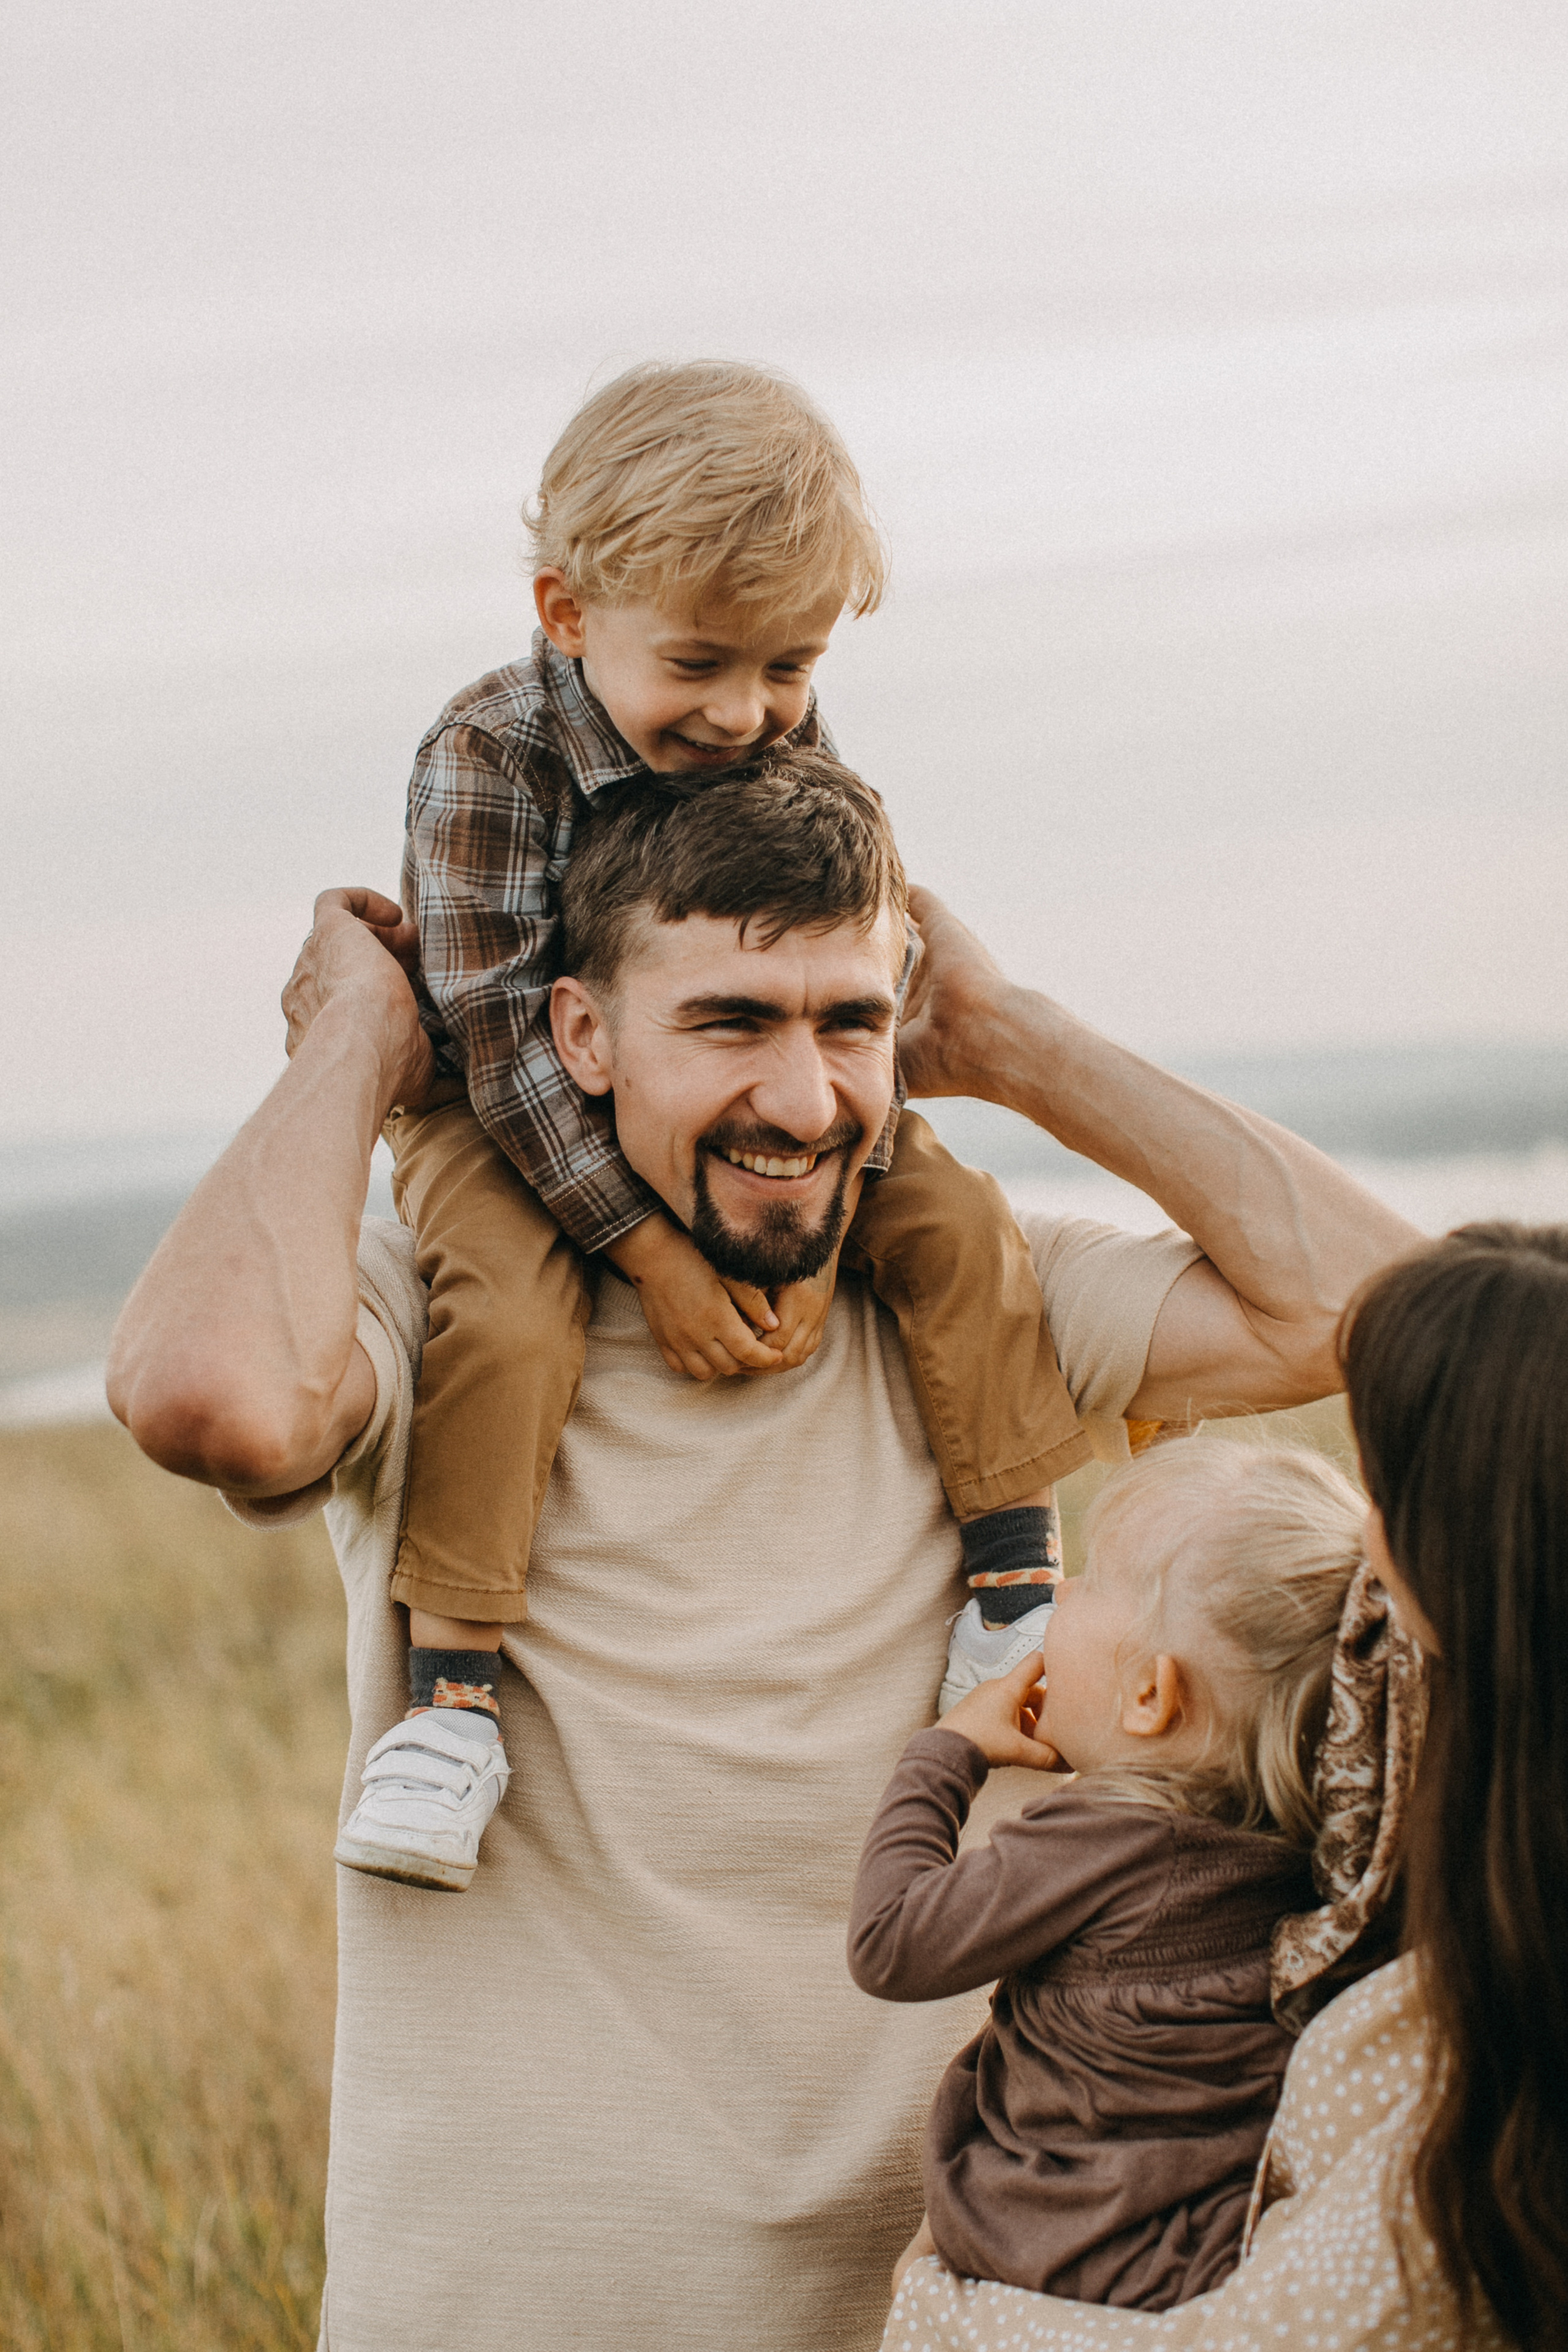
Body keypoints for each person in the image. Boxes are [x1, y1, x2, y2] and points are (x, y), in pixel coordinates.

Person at [105, 767, 1415, 2352]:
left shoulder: (985, 1314)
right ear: (579, 1036)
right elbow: (207, 1398)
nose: (805, 1101)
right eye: (731, 1022)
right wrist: (360, 1042)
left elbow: (1386, 1317)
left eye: (849, 1023)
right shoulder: (445, 1313)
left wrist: (1012, 1039)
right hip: (499, 2315)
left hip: (940, 2318)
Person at [361, 360, 1085, 1890]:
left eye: (788, 669)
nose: (745, 713)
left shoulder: (775, 732)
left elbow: (843, 956)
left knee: (961, 1230)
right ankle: (452, 1701)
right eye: (699, 664)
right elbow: (494, 1032)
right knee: (503, 1317)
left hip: (749, 1101)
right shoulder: (487, 755)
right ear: (568, 612)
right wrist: (651, 1255)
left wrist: (820, 1235)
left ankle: (1014, 1590)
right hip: (504, 1112)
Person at [881, 1223, 1568, 2352]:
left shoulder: (1466, 2058)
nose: (1367, 1557)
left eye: (1391, 1489)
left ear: (1482, 1563)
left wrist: (933, 2302)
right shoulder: (1393, 1768)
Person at [850, 1436, 1369, 2311]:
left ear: (1149, 1699)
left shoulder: (1094, 1841)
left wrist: (943, 1757)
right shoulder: (1312, 1843)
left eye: (1084, 1582)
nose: (1061, 1597)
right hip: (1202, 2262)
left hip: (1048, 2252)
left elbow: (891, 1941)